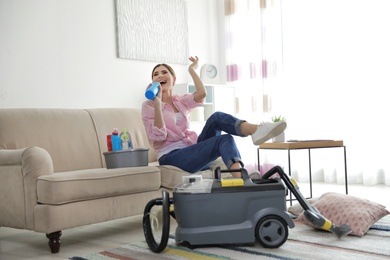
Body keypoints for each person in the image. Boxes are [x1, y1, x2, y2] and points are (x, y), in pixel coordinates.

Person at [142, 56, 286, 178]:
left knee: (216, 118)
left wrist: (192, 70)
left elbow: (201, 94)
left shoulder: (180, 101)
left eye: (164, 72)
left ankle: (255, 130)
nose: (160, 75)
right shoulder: (149, 106)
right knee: (223, 139)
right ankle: (243, 178)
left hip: (191, 149)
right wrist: (157, 102)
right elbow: (159, 137)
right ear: (153, 82)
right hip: (170, 157)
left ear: (173, 80)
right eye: (156, 74)